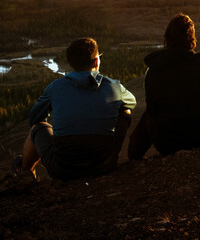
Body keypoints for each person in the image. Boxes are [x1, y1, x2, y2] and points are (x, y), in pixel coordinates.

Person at [14, 37, 136, 180]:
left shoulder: (55, 87)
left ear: (70, 64)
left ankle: (24, 174)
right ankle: (109, 155)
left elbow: (34, 118)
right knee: (125, 110)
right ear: (96, 61)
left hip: (62, 171)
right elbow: (131, 103)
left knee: (38, 127)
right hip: (104, 166)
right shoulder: (114, 85)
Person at [127, 13, 200, 159]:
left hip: (169, 144)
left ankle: (133, 161)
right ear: (192, 38)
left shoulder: (154, 70)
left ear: (167, 38)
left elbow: (153, 110)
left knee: (147, 116)